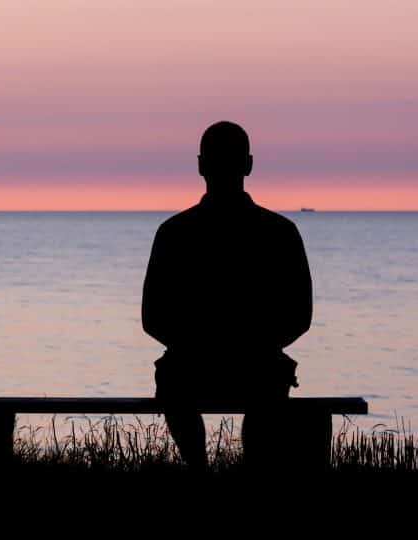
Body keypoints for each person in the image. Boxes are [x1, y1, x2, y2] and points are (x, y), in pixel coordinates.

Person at [141, 121, 313, 469]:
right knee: (268, 382)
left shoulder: (174, 233)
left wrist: (194, 344)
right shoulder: (280, 232)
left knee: (176, 381)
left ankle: (198, 470)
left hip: (191, 366)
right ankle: (251, 473)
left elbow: (153, 317)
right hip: (259, 366)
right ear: (249, 164)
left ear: (201, 164)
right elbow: (299, 315)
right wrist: (257, 343)